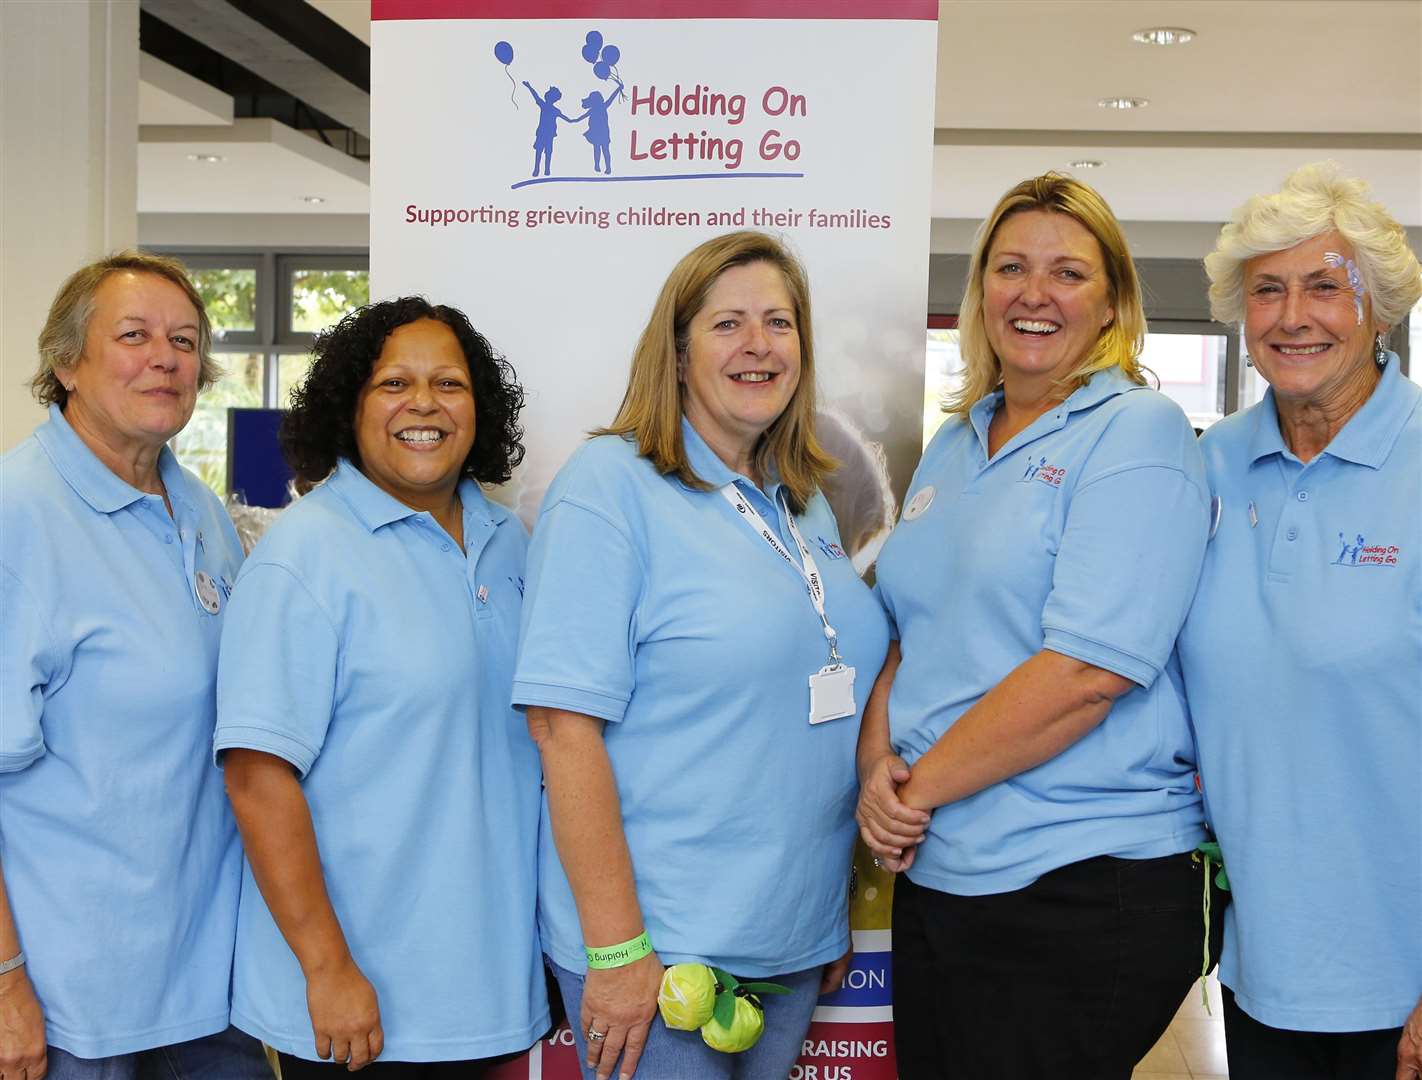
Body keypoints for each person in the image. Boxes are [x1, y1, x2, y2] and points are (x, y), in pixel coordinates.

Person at [857, 174, 1221, 1079]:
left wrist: (910, 792)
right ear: (980, 291)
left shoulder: (1140, 432)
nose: (1034, 292)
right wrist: (876, 771)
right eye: (1011, 267)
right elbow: (911, 631)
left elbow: (1085, 674)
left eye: (1068, 273)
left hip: (1081, 884)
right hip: (944, 870)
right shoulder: (954, 440)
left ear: (1113, 305)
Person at [513, 231, 891, 1080]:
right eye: (728, 324)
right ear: (678, 355)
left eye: (779, 323)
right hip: (661, 949)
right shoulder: (610, 486)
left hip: (788, 940)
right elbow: (560, 726)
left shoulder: (802, 502)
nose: (759, 345)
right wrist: (615, 952)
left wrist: (814, 915)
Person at [213, 298, 548, 1075]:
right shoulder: (305, 558)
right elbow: (258, 780)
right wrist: (327, 970)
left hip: (486, 989)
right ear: (348, 407)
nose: (424, 404)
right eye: (393, 383)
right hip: (361, 1004)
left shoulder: (512, 543)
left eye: (449, 384)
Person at [1179, 163, 1422, 1080]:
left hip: (1401, 978)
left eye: (1325, 286)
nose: (1292, 316)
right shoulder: (1208, 465)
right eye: (1267, 290)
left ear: (1380, 309)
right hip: (1261, 968)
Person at [0, 253, 268, 1080]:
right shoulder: (21, 516)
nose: (166, 357)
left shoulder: (195, 507)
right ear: (65, 362)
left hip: (211, 982)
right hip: (76, 1003)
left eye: (184, 340)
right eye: (134, 335)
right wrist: (4, 981)